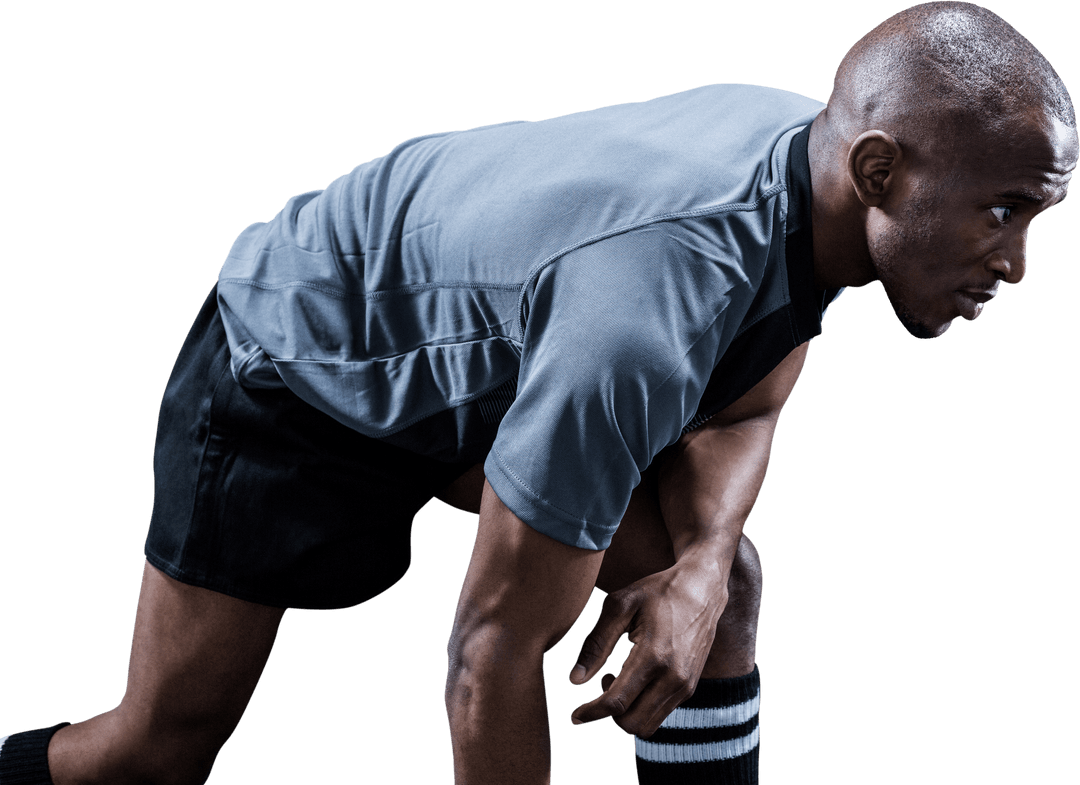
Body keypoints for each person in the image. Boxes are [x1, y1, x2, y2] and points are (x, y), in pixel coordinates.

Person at [0, 2, 1074, 783]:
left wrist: (697, 562)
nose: (1017, 263)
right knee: (157, 752)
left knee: (723, 587)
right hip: (296, 361)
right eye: (1002, 212)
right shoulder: (645, 318)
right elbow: (491, 655)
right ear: (881, 171)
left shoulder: (812, 164)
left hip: (496, 353)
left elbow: (744, 399)